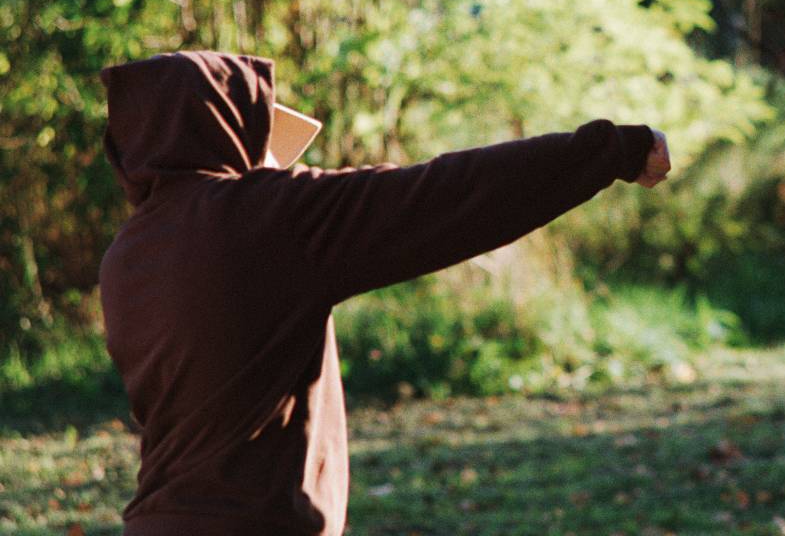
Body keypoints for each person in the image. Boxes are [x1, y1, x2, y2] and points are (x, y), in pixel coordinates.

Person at [97, 49, 671, 536]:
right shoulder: (266, 218)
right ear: (222, 125)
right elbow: (453, 195)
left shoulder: (128, 253)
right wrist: (610, 151)